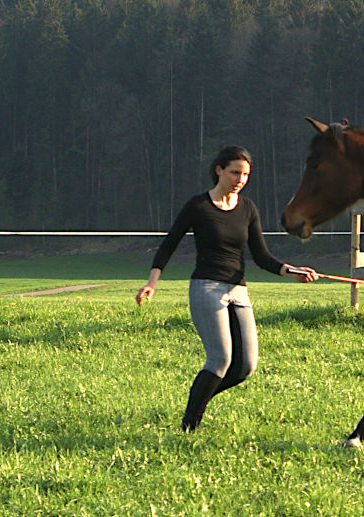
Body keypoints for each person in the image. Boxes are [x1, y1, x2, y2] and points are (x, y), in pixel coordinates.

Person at [136, 145, 319, 432]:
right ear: (219, 170)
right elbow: (168, 245)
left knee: (245, 366)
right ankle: (189, 426)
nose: (240, 179)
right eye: (235, 172)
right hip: (206, 288)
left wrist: (291, 271)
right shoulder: (198, 207)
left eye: (245, 174)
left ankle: (198, 400)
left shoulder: (247, 209)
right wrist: (152, 283)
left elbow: (260, 256)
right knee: (220, 359)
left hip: (238, 290)